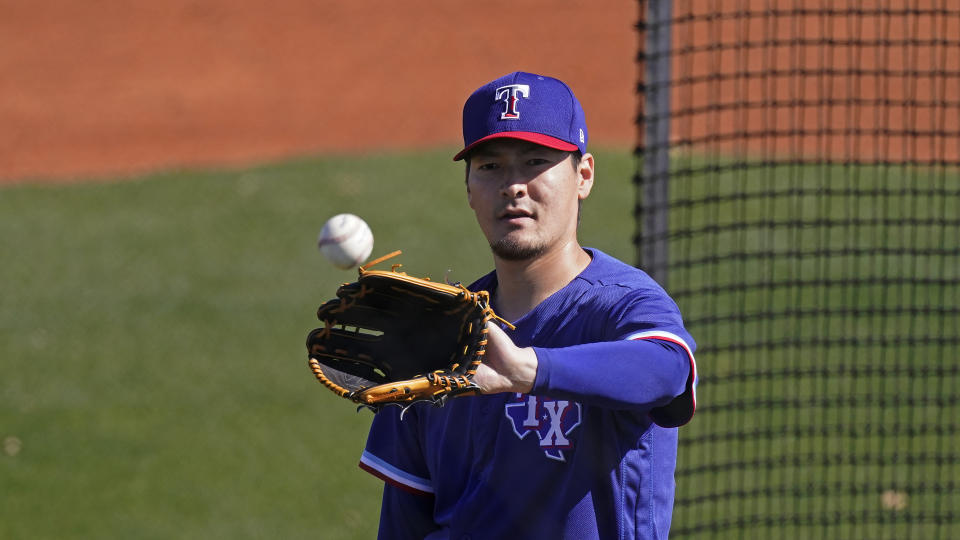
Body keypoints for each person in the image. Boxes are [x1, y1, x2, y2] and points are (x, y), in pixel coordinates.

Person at [358, 71, 698, 540]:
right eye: (490, 167)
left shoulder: (622, 306)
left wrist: (528, 369)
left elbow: (667, 369)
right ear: (469, 188)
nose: (513, 186)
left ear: (584, 176)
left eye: (535, 161)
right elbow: (405, 520)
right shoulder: (439, 337)